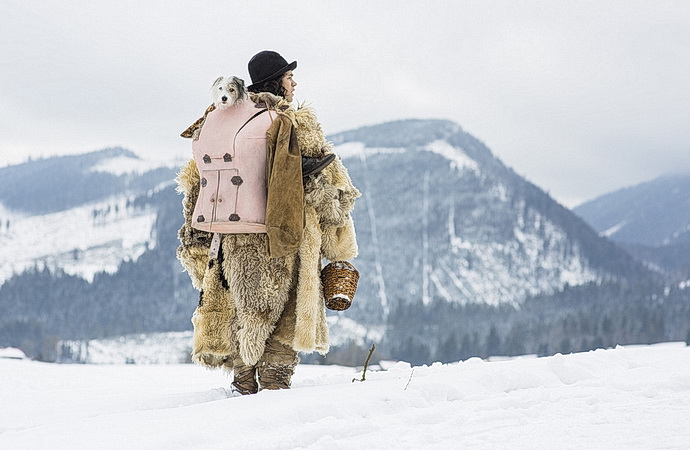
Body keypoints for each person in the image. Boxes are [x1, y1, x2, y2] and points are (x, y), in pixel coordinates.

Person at [176, 50, 360, 394]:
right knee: (285, 311)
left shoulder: (223, 118)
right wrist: (337, 229)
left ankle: (243, 385)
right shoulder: (291, 120)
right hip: (282, 234)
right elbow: (324, 187)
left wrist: (196, 240)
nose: (294, 83)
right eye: (289, 77)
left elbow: (192, 183)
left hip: (229, 235)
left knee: (242, 309)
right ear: (276, 81)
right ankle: (274, 388)